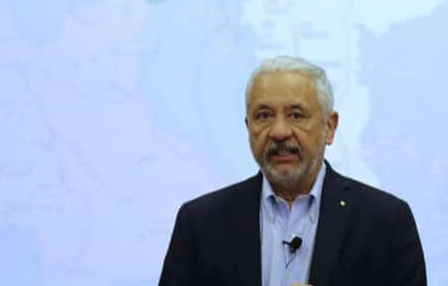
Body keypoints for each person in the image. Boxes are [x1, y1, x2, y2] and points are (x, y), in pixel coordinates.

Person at [158, 55, 427, 285]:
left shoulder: (386, 222)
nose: (279, 131)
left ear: (329, 127)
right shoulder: (200, 223)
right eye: (264, 115)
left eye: (296, 115)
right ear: (248, 126)